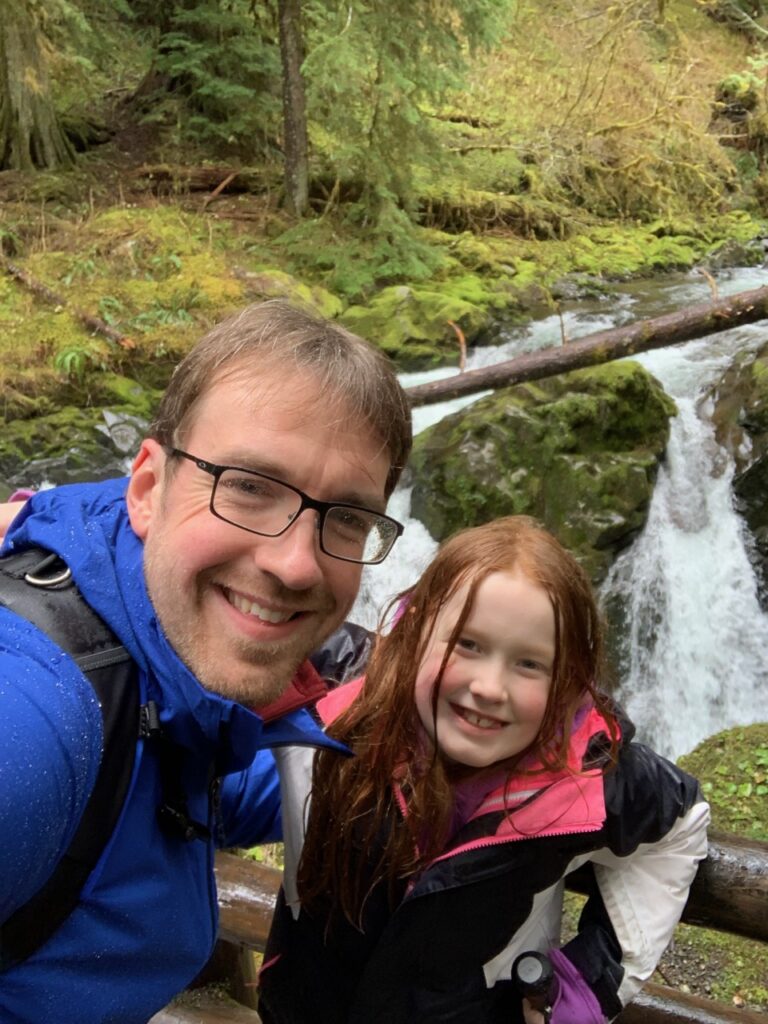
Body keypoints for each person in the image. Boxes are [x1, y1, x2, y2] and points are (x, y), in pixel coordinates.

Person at [0, 300, 412, 1024]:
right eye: (249, 486)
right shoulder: (34, 720)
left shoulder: (156, 654)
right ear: (149, 488)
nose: (293, 565)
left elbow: (199, 787)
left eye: (346, 516)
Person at [258, 516, 710, 1024]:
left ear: (568, 679)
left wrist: (588, 984)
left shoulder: (588, 773)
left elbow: (680, 823)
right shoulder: (330, 687)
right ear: (414, 635)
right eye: (467, 645)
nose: (491, 687)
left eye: (530, 664)